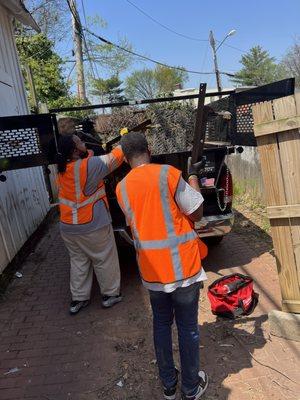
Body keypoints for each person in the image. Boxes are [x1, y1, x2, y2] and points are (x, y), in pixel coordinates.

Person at [116, 132, 209, 400]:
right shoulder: (167, 173)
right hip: (183, 269)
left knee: (161, 325)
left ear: (124, 158)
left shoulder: (121, 188)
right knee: (188, 327)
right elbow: (197, 213)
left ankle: (169, 385)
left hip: (152, 272)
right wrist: (192, 177)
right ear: (149, 149)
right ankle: (191, 388)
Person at [56, 134, 123, 315]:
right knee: (103, 259)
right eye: (79, 141)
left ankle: (78, 299)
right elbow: (116, 158)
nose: (83, 142)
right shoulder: (89, 166)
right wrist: (125, 141)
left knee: (78, 261)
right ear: (75, 149)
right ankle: (110, 295)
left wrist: (89, 153)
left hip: (68, 227)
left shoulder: (62, 169)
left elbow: (85, 167)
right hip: (93, 224)